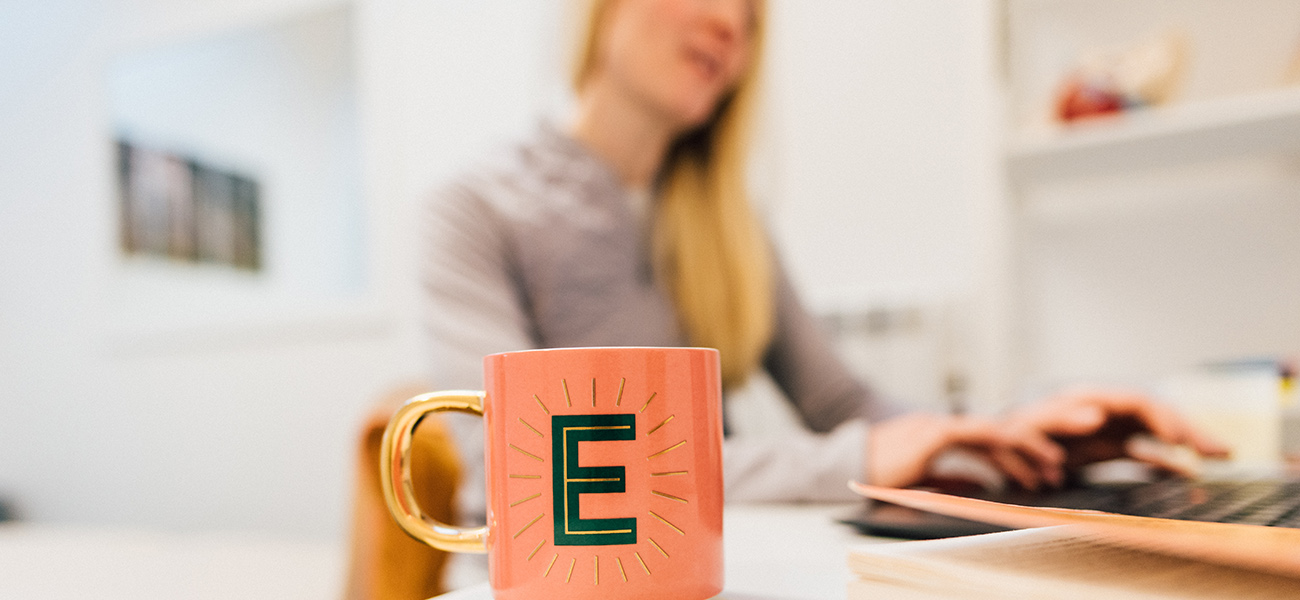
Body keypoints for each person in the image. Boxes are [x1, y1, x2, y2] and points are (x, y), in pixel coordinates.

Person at [421, 0, 1225, 523]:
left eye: (750, 14)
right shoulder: (473, 208)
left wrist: (1009, 436)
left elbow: (844, 406)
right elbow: (514, 478)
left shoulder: (726, 224)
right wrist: (859, 457)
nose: (731, 25)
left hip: (698, 579)